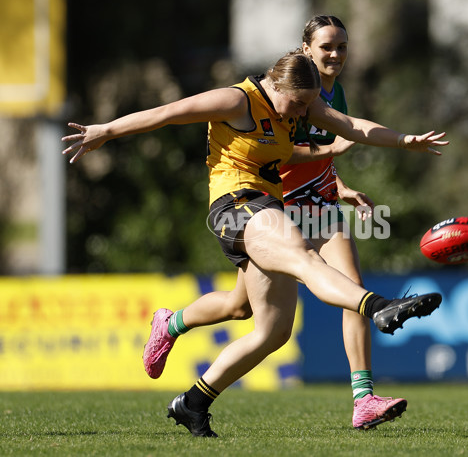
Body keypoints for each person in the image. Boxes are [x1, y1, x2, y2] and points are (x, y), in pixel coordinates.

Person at [62, 50, 447, 438]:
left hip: (265, 206)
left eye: (305, 106)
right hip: (234, 206)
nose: (300, 114)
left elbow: (350, 126)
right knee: (303, 258)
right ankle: (380, 306)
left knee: (271, 329)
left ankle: (192, 401)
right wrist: (106, 131)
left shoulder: (299, 105)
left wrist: (403, 140)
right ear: (276, 84)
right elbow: (167, 113)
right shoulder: (237, 100)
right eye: (296, 104)